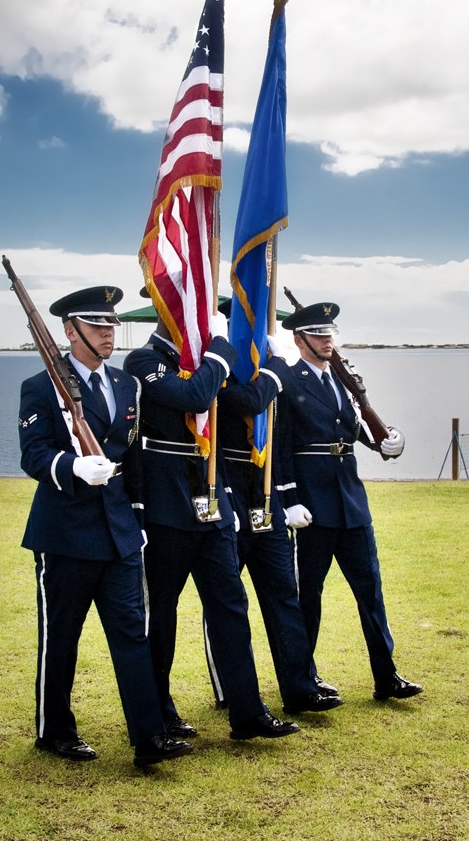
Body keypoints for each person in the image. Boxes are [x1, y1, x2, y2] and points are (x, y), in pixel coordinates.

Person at [16, 285, 192, 767]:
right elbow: (33, 454)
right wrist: (71, 466)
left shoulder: (125, 385)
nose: (108, 333)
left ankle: (149, 736)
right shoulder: (41, 387)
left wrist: (138, 520)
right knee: (62, 637)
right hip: (65, 532)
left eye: (111, 324)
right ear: (70, 331)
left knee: (133, 634)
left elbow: (132, 458)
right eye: (96, 325)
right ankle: (55, 731)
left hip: (119, 531)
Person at [123, 305, 300, 742]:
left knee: (230, 607)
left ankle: (247, 712)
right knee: (161, 616)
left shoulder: (205, 363)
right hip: (165, 509)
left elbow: (232, 414)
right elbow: (194, 398)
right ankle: (160, 713)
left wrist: (230, 501)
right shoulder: (143, 361)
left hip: (213, 505)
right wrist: (220, 348)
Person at [275, 301, 423, 702]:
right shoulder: (288, 379)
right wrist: (289, 498)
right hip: (312, 504)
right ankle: (304, 681)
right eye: (318, 335)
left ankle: (386, 676)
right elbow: (282, 446)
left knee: (370, 592)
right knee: (308, 596)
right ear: (299, 339)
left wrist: (387, 441)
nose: (327, 341)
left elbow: (358, 428)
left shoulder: (343, 380)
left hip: (351, 501)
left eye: (330, 334)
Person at [204, 298, 344, 715]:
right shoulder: (218, 369)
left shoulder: (270, 370)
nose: (250, 336)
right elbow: (246, 401)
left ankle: (300, 688)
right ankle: (228, 688)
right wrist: (277, 368)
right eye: (243, 327)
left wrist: (286, 496)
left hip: (266, 494)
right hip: (229, 487)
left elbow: (279, 441)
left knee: (284, 593)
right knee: (226, 599)